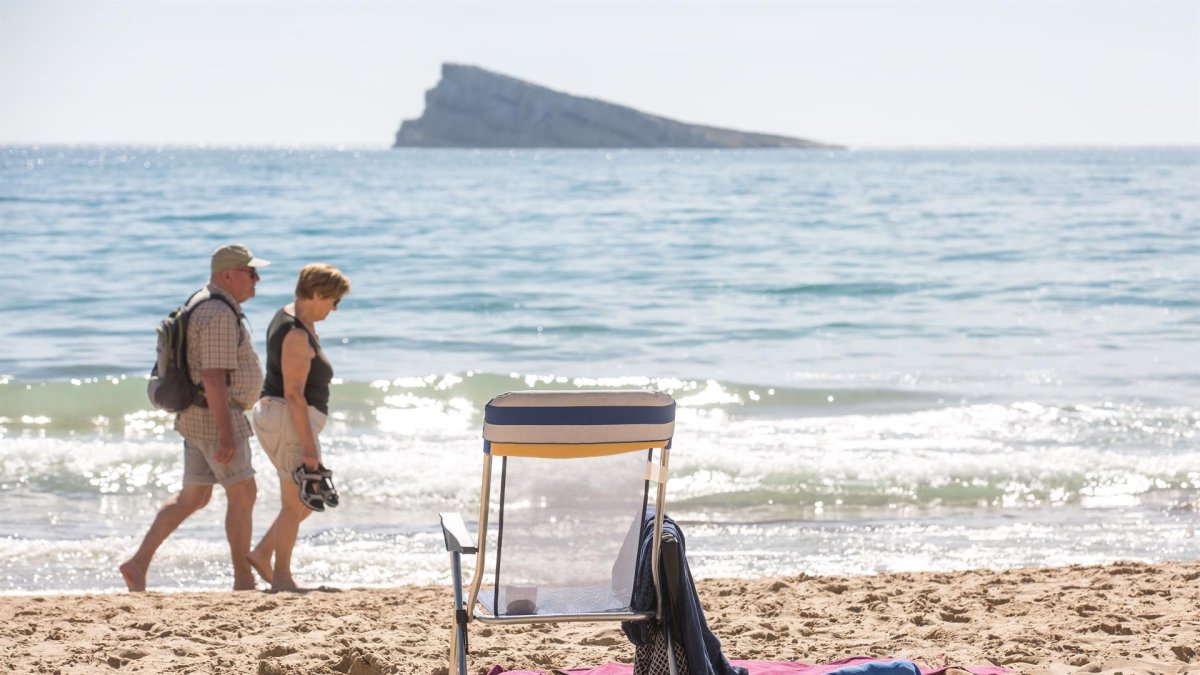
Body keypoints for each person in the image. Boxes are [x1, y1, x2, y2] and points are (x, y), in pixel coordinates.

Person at [120, 244, 269, 592]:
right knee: (244, 493)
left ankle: (137, 564)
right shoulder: (217, 312)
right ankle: (243, 577)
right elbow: (214, 377)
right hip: (215, 416)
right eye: (251, 272)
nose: (257, 279)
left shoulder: (204, 302)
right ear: (227, 274)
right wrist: (227, 433)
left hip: (197, 414)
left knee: (194, 498)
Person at [247, 263, 350, 591]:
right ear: (317, 293)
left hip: (286, 419)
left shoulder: (294, 317)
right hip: (287, 419)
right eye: (333, 301)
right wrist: (308, 449)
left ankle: (263, 554)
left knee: (304, 499)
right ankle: (282, 577)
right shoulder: (295, 334)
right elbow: (292, 394)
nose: (334, 309)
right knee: (296, 503)